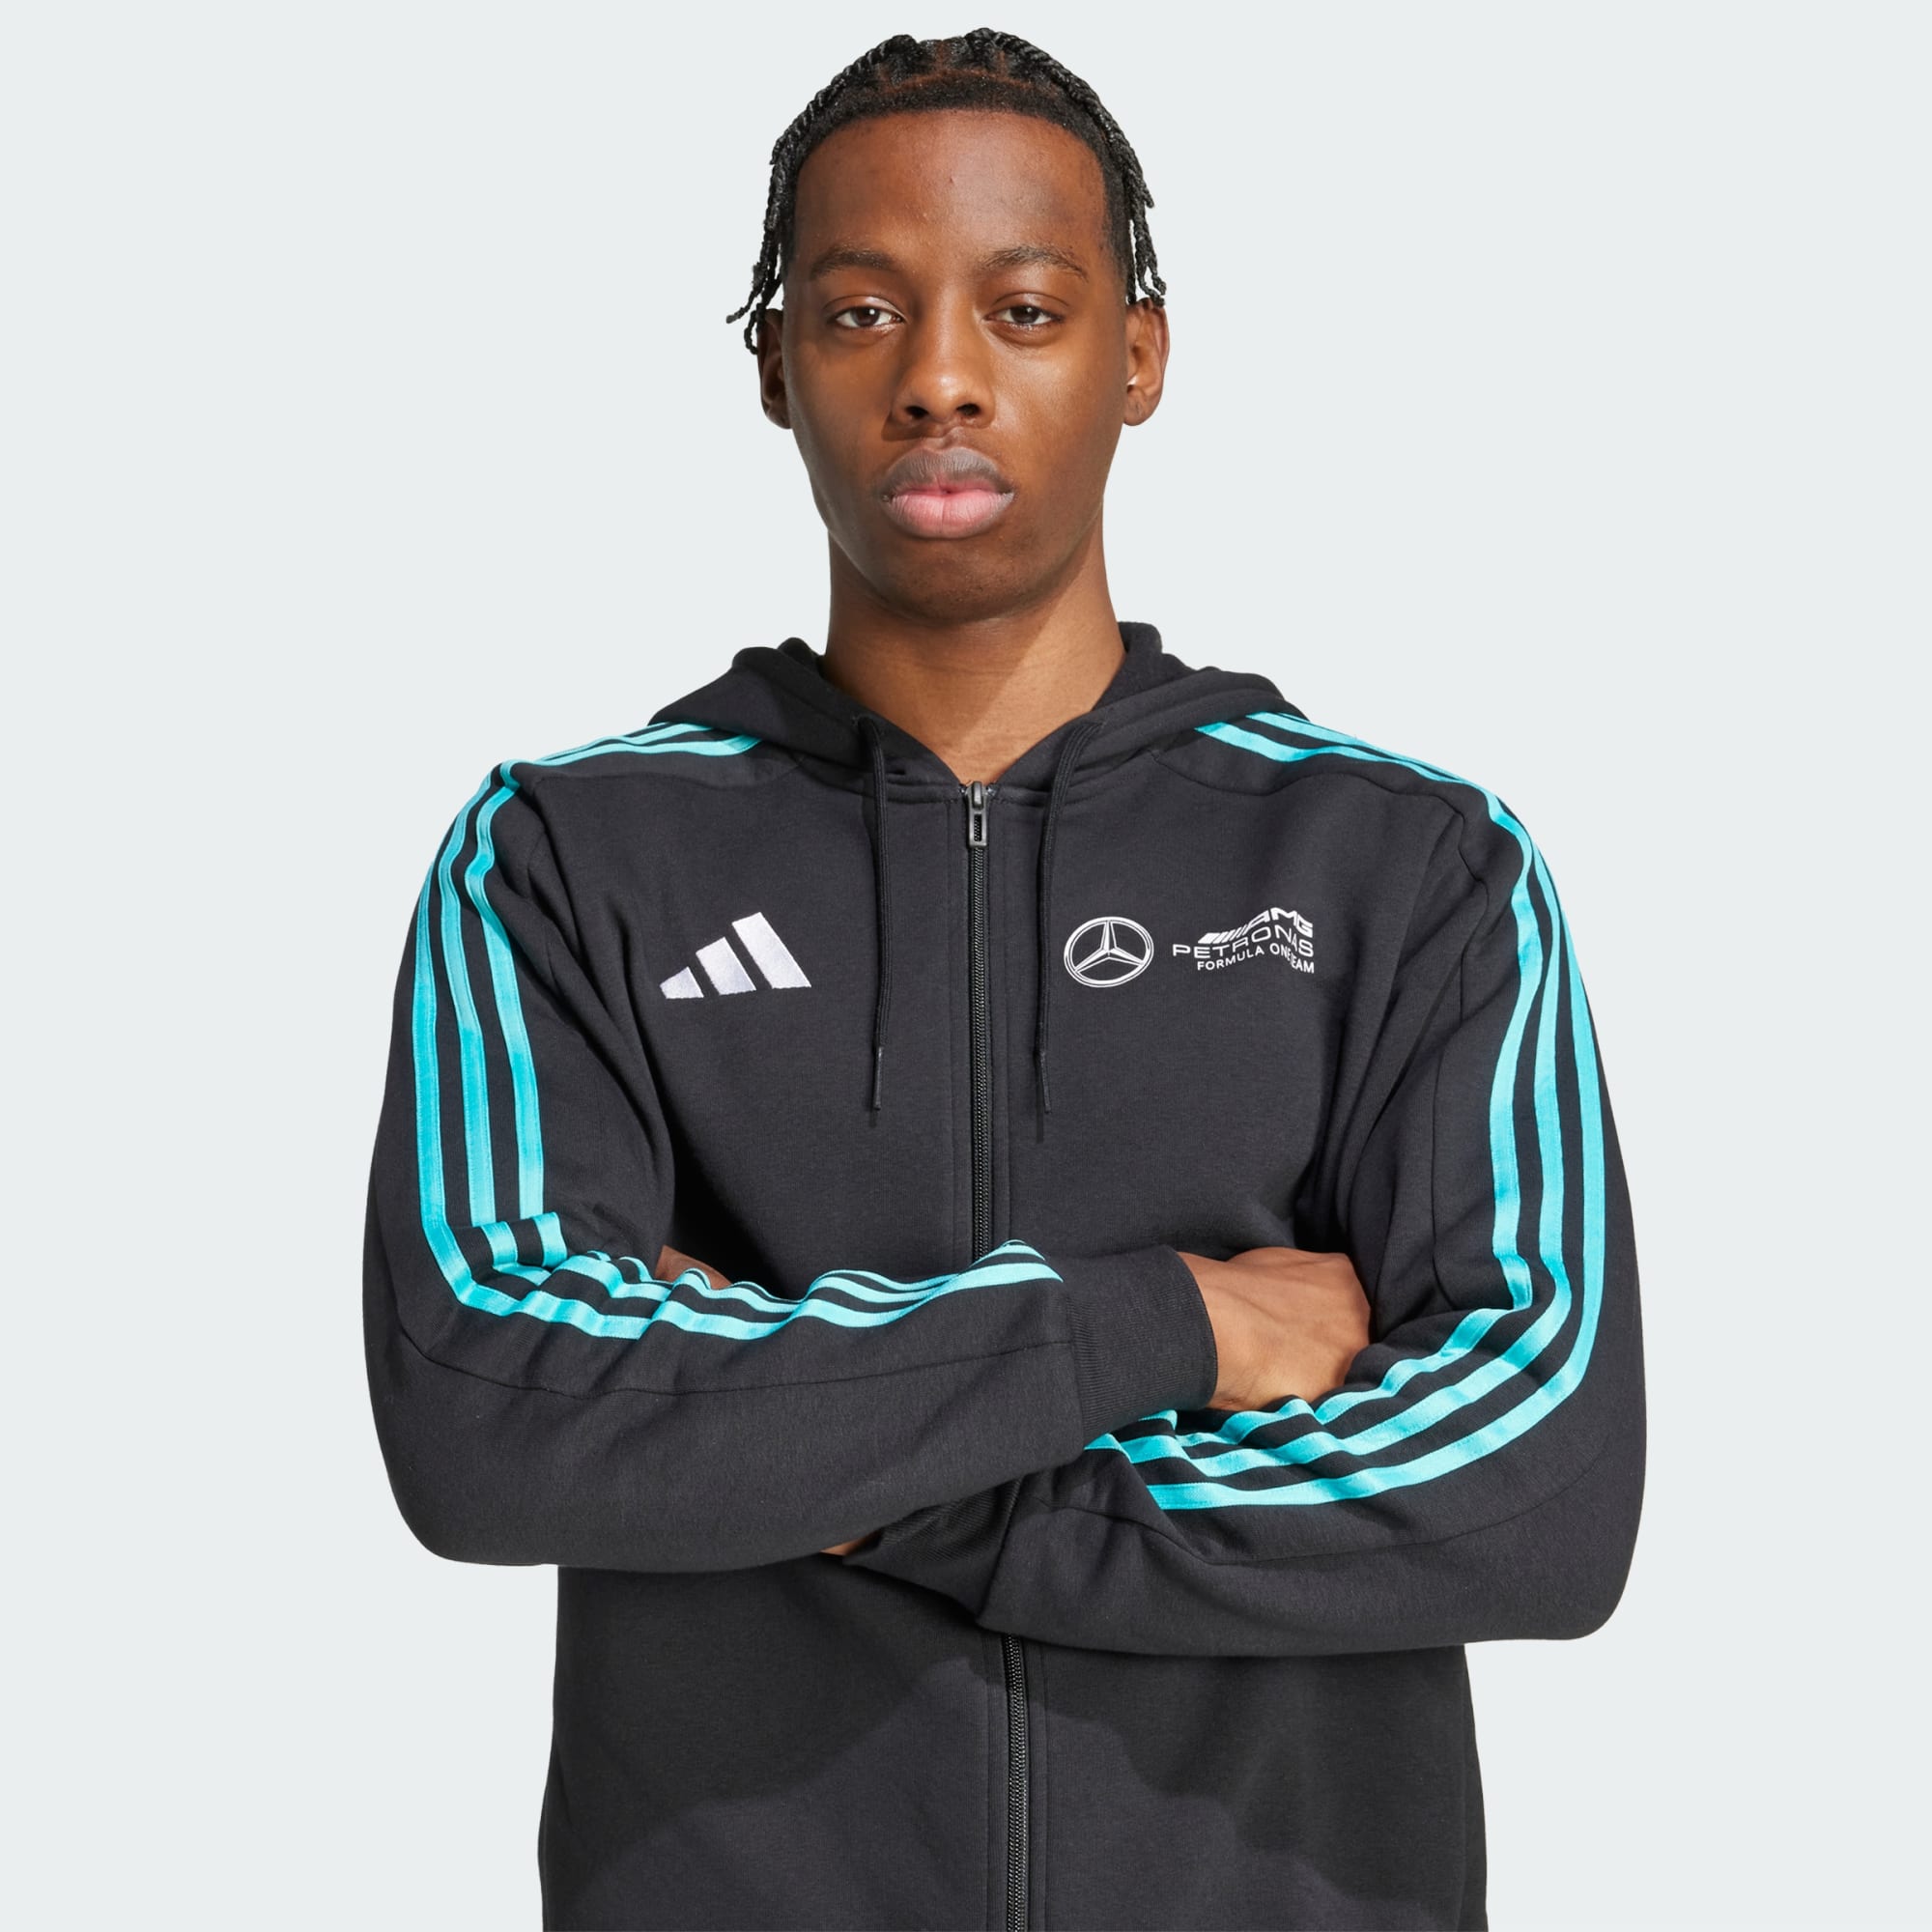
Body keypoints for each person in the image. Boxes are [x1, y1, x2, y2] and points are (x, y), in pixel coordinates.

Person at [362, 27, 1645, 1931]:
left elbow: (1530, 1484)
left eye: (1024, 310)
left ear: (1138, 355)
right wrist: (1167, 1325)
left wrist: (857, 1477)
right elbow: (503, 1408)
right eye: (859, 310)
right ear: (773, 363)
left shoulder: (1404, 866)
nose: (940, 377)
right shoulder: (566, 858)